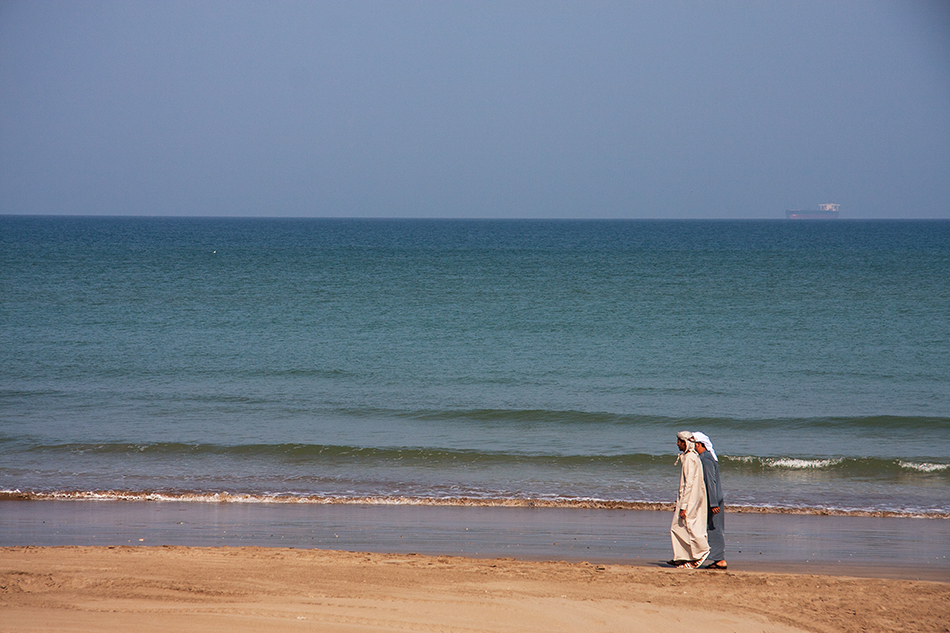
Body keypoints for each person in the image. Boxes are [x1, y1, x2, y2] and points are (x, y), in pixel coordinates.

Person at [669, 431, 709, 569]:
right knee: (678, 526)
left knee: (689, 525)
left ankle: (702, 551)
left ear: (685, 442)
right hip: (690, 496)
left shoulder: (690, 458)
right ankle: (682, 557)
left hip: (690, 497)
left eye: (679, 441)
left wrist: (683, 505)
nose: (677, 444)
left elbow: (689, 483)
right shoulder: (691, 457)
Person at [691, 431, 727, 570]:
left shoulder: (705, 459)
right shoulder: (707, 457)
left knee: (714, 528)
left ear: (699, 444)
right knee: (714, 528)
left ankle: (720, 560)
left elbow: (710, 482)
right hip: (715, 499)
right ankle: (717, 558)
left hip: (714, 500)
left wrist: (712, 503)